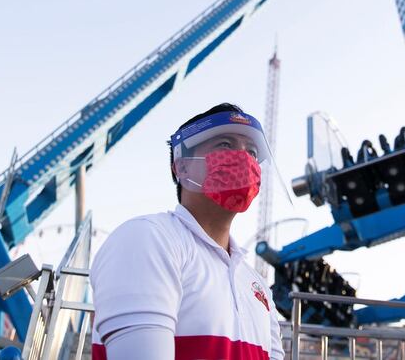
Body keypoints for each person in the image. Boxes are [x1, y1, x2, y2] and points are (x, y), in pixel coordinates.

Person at [90, 103, 284, 360]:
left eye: (251, 151)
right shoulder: (147, 239)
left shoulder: (255, 284)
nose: (244, 159)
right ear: (181, 167)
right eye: (224, 145)